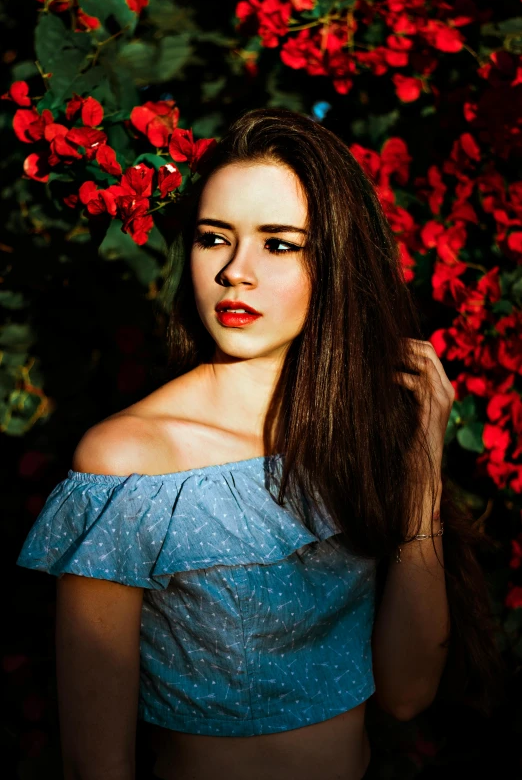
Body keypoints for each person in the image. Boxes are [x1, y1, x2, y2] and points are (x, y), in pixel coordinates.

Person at [16, 107, 506, 780]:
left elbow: (406, 691)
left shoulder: (352, 434)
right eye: (215, 238)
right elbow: (95, 763)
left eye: (278, 244)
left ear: (333, 261)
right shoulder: (127, 467)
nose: (235, 273)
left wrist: (421, 460)